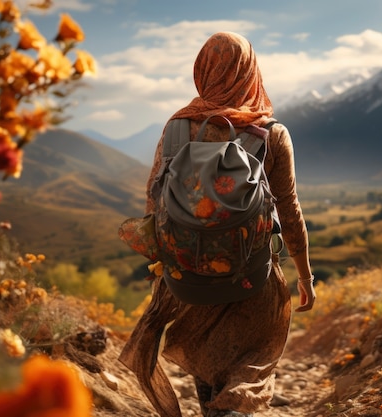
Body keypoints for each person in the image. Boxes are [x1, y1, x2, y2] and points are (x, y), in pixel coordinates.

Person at [119, 31, 316, 417]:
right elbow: (289, 212)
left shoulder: (177, 128)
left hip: (188, 273)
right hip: (251, 276)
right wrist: (305, 276)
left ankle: (215, 408)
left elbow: (155, 202)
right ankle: (233, 409)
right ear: (250, 71)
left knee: (207, 364)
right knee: (251, 361)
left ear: (203, 70)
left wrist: (166, 266)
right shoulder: (272, 133)